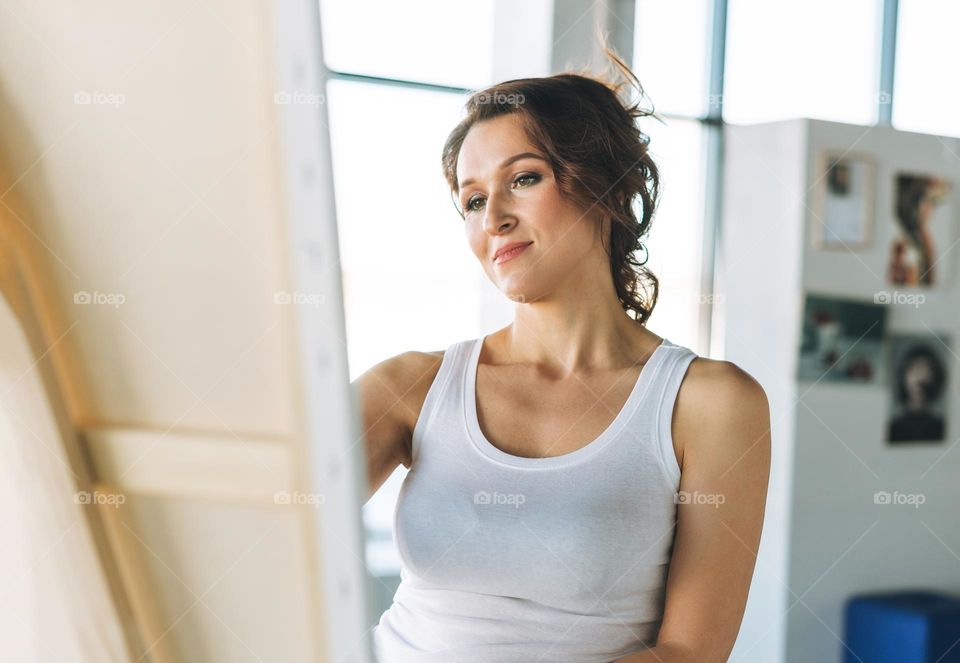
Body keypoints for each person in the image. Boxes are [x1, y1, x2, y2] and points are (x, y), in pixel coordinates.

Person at [356, 48, 771, 663]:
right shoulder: (411, 384)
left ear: (606, 185)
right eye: (472, 200)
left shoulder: (708, 403)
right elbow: (258, 521)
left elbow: (689, 652)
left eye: (524, 179)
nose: (493, 218)